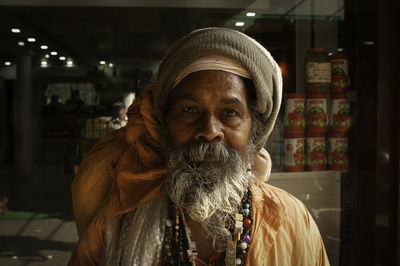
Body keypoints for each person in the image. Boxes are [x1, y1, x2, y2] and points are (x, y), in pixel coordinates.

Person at [69, 28, 329, 265]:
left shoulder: (291, 221)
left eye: (230, 112)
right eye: (190, 110)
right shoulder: (119, 220)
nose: (209, 131)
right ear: (164, 123)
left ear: (255, 128)